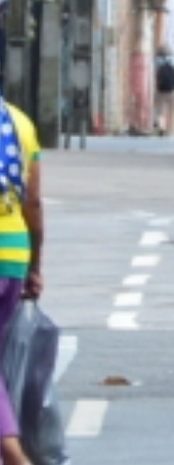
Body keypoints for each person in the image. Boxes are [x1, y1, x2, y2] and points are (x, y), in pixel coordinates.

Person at [0, 100, 45, 465]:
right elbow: (33, 202)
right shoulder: (21, 122)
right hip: (13, 254)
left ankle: (13, 453)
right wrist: (35, 265)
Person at [152, 47, 174, 136]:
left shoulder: (156, 62)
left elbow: (155, 75)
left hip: (160, 90)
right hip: (172, 90)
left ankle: (162, 128)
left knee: (160, 111)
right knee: (172, 112)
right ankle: (170, 131)